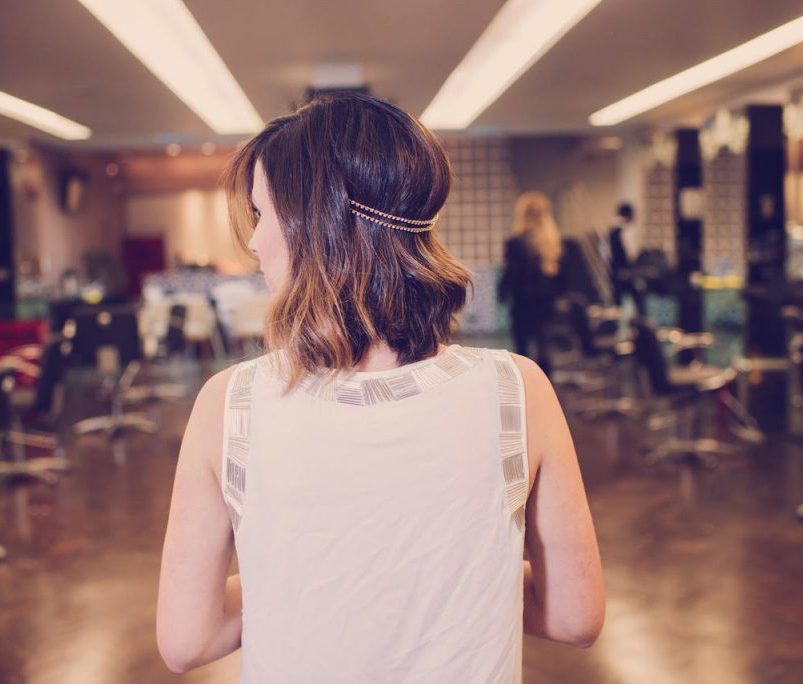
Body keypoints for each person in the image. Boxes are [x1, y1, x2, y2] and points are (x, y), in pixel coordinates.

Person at [157, 93, 604, 682]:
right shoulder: (516, 391)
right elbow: (574, 615)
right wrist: (459, 568)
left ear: (315, 225)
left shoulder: (230, 404)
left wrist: (315, 574)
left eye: (262, 214)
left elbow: (187, 640)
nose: (254, 241)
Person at [497, 192, 564, 377]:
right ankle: (546, 389)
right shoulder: (554, 243)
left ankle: (525, 389)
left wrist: (501, 294)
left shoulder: (515, 243)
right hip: (546, 304)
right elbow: (561, 280)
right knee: (545, 348)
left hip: (523, 303)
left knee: (522, 351)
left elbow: (512, 274)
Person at [608, 202, 645, 312]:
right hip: (627, 270)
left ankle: (617, 326)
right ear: (629, 215)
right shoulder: (627, 231)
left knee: (618, 301)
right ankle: (639, 325)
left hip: (614, 270)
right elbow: (632, 254)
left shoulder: (611, 231)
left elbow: (605, 253)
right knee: (638, 299)